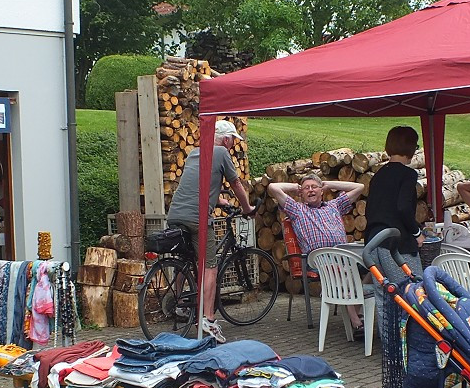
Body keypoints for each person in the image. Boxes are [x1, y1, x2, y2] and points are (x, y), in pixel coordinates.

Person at [166, 120, 254, 343]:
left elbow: (197, 185)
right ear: (225, 139)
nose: (234, 144)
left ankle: (180, 305)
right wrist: (247, 208)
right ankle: (209, 319)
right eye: (233, 140)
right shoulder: (222, 153)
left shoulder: (195, 152)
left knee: (185, 259)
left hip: (176, 213)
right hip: (197, 218)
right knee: (210, 267)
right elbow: (237, 185)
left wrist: (218, 200)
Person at [267, 173, 365, 331]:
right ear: (301, 193)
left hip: (345, 257)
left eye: (314, 187)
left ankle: (357, 309)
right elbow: (273, 187)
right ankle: (357, 322)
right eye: (306, 188)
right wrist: (295, 187)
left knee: (374, 265)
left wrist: (329, 183)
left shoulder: (334, 205)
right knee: (345, 272)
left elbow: (359, 187)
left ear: (322, 191)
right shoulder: (297, 210)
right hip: (319, 261)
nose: (310, 190)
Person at [364, 126, 423, 327]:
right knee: (412, 293)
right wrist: (416, 232)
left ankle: (391, 350)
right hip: (397, 243)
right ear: (412, 148)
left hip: (373, 242)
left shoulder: (378, 175)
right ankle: (412, 347)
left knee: (383, 296)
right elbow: (404, 207)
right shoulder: (407, 175)